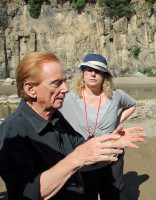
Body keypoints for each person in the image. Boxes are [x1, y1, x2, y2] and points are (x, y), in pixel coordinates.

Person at [0, 52, 146, 200]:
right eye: (57, 83)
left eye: (64, 81)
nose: (66, 89)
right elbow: (25, 193)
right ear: (31, 89)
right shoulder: (14, 130)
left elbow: (83, 145)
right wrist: (76, 159)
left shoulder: (56, 117)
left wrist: (112, 141)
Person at [59, 54, 136, 200]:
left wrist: (117, 120)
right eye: (88, 70)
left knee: (112, 196)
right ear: (83, 73)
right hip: (86, 163)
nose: (93, 74)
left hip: (113, 159)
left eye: (98, 71)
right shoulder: (68, 98)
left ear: (104, 75)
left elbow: (132, 104)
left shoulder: (116, 96)